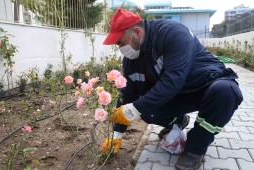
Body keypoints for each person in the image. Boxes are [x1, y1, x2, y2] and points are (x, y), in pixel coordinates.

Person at [101, 8, 243, 170]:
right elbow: (128, 94)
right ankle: (179, 121)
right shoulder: (132, 60)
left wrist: (134, 109)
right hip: (176, 94)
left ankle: (195, 148)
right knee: (147, 111)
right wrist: (116, 134)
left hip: (203, 85)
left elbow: (173, 80)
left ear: (137, 32)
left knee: (227, 92)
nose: (120, 48)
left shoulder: (173, 33)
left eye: (121, 42)